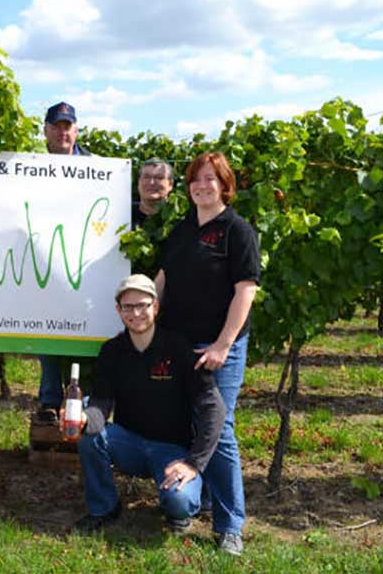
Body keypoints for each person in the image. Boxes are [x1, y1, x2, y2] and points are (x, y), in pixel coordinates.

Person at [154, 152, 259, 556]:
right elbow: (164, 278)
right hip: (180, 345)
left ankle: (231, 525)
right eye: (196, 179)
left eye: (210, 179)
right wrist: (146, 316)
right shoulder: (182, 230)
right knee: (190, 424)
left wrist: (222, 345)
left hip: (218, 348)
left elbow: (245, 290)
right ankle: (196, 502)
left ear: (224, 184)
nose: (202, 185)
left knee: (221, 427)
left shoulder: (237, 231)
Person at [72, 274, 225, 535]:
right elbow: (101, 404)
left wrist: (193, 462)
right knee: (91, 436)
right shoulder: (112, 351)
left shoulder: (178, 348)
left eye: (142, 305)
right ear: (119, 311)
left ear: (155, 307)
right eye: (128, 307)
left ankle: (182, 505)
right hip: (128, 443)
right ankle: (104, 508)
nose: (136, 313)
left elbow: (214, 408)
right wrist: (87, 419)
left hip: (173, 451)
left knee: (180, 503)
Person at [36, 101, 91, 422]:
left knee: (80, 334)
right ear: (45, 131)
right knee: (45, 332)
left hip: (81, 264)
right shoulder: (30, 165)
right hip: (42, 262)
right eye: (56, 126)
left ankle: (78, 400)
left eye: (67, 126)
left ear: (76, 130)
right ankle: (48, 400)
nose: (62, 132)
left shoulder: (96, 170)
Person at [131, 158, 173, 228]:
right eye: (146, 177)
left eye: (159, 178)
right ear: (139, 182)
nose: (151, 183)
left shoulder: (181, 219)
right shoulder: (123, 214)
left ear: (170, 185)